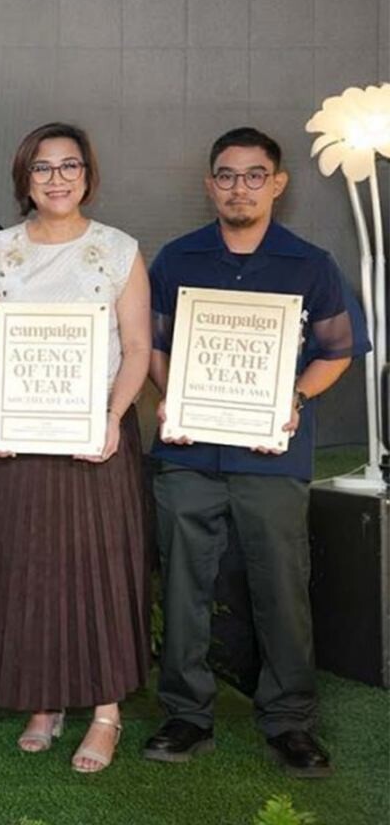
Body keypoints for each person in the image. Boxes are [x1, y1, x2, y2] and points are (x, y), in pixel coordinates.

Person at [143, 127, 369, 778]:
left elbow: (338, 351)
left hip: (273, 457)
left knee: (281, 586)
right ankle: (186, 715)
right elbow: (153, 344)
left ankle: (290, 721)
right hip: (188, 455)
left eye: (253, 175)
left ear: (277, 183)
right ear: (209, 184)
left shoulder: (310, 264)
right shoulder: (178, 259)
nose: (238, 187)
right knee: (183, 585)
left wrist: (294, 395)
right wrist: (173, 396)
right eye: (226, 175)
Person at [0, 122, 152, 773]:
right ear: (25, 179)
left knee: (101, 571)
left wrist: (114, 416)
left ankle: (105, 712)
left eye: (70, 166)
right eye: (43, 168)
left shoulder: (118, 251)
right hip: (18, 441)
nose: (57, 179)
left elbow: (137, 348)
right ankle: (43, 704)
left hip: (96, 438)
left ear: (88, 175)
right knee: (30, 570)